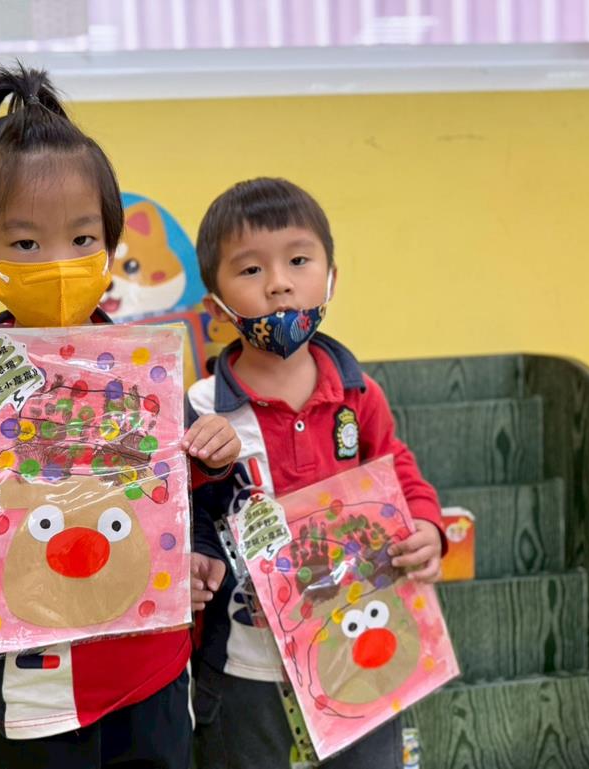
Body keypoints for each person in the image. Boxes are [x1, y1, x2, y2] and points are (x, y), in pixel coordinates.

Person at [0, 63, 237, 769]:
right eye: (27, 244)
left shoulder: (148, 371)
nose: (61, 262)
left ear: (110, 247)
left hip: (148, 666)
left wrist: (210, 458)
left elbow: (168, 495)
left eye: (83, 239)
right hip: (31, 680)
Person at [187, 177, 446, 769]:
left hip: (357, 644)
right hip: (247, 663)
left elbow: (396, 468)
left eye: (298, 261)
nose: (279, 283)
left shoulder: (359, 394)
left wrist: (426, 525)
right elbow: (191, 517)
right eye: (251, 269)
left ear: (331, 278)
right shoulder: (201, 410)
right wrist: (195, 557)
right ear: (217, 308)